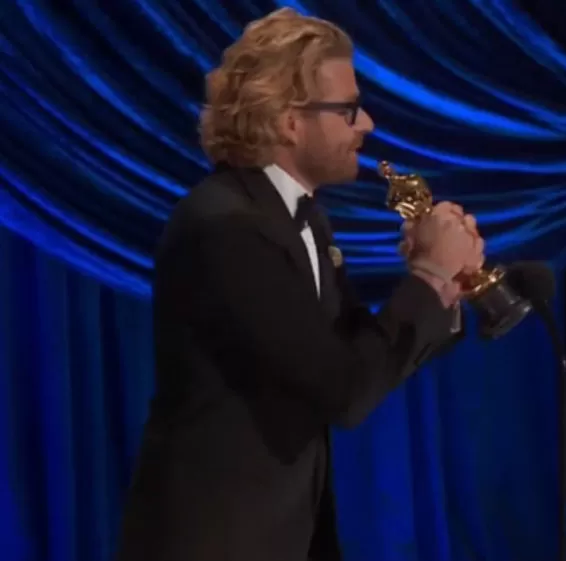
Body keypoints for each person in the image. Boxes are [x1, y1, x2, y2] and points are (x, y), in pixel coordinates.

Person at [116, 8, 483, 561]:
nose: (367, 125)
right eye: (349, 109)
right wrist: (428, 277)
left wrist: (443, 287)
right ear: (290, 122)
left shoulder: (304, 220)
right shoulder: (227, 227)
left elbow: (359, 355)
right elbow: (343, 390)